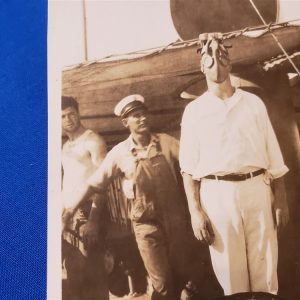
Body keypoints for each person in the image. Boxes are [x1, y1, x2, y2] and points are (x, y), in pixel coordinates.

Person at [179, 33, 290, 296]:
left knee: (265, 270)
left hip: (257, 188)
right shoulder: (194, 111)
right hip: (217, 196)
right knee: (231, 275)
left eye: (222, 55)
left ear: (230, 62)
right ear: (201, 65)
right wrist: (195, 212)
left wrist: (281, 198)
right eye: (209, 56)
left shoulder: (253, 103)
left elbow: (273, 155)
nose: (216, 62)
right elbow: (188, 169)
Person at [62, 94, 194, 300]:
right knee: (162, 284)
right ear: (125, 122)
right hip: (147, 225)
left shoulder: (167, 142)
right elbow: (94, 183)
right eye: (136, 116)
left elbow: (193, 164)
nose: (142, 119)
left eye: (144, 114)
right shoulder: (120, 152)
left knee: (182, 278)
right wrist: (70, 210)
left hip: (176, 222)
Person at [61, 96, 109, 300]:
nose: (68, 119)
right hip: (68, 214)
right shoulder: (65, 146)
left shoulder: (93, 140)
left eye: (72, 113)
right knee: (74, 274)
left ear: (79, 113)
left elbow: (103, 181)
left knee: (93, 274)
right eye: (62, 116)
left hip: (89, 211)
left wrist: (94, 220)